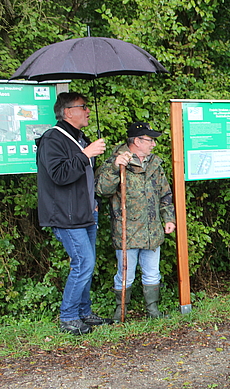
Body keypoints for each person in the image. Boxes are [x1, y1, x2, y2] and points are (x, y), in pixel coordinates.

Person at [36, 92, 112, 335]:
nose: (88, 111)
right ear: (68, 112)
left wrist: (94, 200)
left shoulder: (79, 138)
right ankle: (68, 318)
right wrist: (86, 154)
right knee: (83, 263)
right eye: (83, 107)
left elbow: (85, 177)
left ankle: (84, 312)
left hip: (86, 212)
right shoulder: (53, 139)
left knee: (86, 265)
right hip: (66, 216)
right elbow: (59, 175)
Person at [96, 122, 176, 320]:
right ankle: (120, 311)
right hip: (127, 230)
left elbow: (165, 193)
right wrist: (116, 169)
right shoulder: (116, 161)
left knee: (152, 272)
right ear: (137, 141)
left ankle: (153, 311)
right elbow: (101, 190)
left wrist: (168, 218)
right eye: (150, 140)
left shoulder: (155, 163)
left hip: (152, 230)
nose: (154, 145)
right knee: (125, 275)